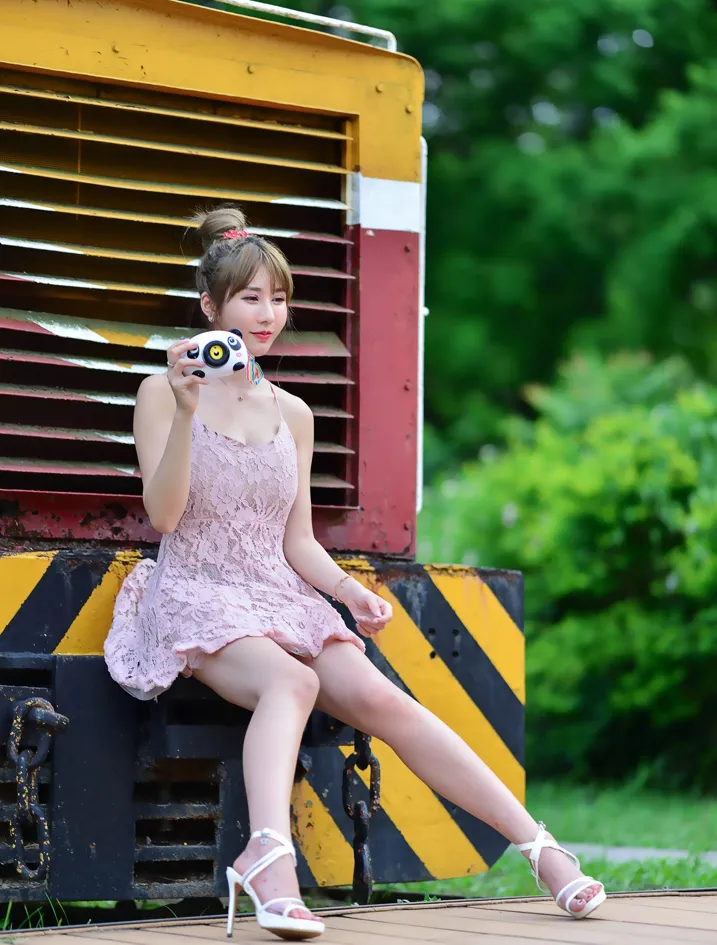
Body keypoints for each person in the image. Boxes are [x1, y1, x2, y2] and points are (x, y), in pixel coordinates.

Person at [104, 206, 605, 941]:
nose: (267, 313)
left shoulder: (293, 412)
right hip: (194, 593)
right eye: (249, 298)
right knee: (293, 681)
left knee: (384, 698)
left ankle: (539, 847)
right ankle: (268, 860)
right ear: (209, 307)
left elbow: (297, 541)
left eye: (278, 297)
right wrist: (184, 413)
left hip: (274, 592)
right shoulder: (160, 392)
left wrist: (345, 592)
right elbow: (166, 517)